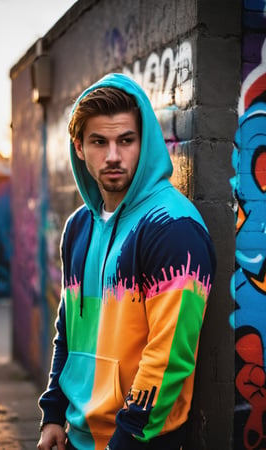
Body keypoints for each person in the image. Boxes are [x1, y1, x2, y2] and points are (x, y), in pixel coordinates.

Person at [37, 73, 216, 450]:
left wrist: (128, 439)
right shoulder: (78, 227)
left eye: (126, 140)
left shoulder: (173, 226)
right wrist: (52, 412)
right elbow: (68, 328)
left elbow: (169, 358)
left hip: (140, 439)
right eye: (99, 142)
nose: (113, 155)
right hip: (76, 434)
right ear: (80, 147)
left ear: (144, 141)